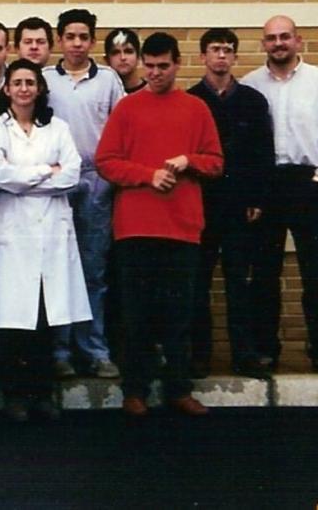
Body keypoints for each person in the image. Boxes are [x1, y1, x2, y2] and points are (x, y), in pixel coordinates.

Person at [95, 32, 222, 418]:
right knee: (135, 315)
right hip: (135, 227)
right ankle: (135, 391)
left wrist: (189, 160)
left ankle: (178, 389)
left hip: (182, 227)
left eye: (162, 66)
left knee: (179, 315)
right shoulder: (127, 108)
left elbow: (216, 161)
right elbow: (106, 160)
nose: (154, 73)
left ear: (178, 64)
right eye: (148, 66)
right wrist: (147, 176)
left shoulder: (196, 108)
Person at [242, 15, 318, 376]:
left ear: (298, 41)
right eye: (271, 38)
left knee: (316, 272)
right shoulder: (250, 85)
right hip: (267, 185)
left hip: (308, 184)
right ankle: (265, 349)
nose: (278, 43)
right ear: (263, 45)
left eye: (284, 37)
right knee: (264, 273)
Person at [0, 59, 87, 422]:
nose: (24, 88)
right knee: (13, 322)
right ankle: (15, 395)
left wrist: (26, 178)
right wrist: (46, 171)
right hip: (11, 235)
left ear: (40, 88)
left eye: (30, 82)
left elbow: (72, 174)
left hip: (49, 235)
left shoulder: (57, 128)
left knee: (44, 319)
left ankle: (42, 394)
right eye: (17, 82)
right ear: (7, 89)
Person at [186, 28, 276, 380]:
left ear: (236, 56)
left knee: (240, 282)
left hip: (240, 207)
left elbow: (263, 153)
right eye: (214, 50)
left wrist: (258, 197)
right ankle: (200, 356)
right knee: (198, 282)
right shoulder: (192, 100)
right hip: (201, 204)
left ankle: (245, 354)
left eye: (227, 50)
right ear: (202, 57)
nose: (221, 56)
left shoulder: (253, 101)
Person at [42, 8, 125, 380]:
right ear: (60, 39)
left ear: (92, 40)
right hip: (57, 183)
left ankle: (95, 349)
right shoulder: (45, 80)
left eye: (84, 37)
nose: (77, 43)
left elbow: (123, 128)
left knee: (93, 270)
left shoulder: (107, 80)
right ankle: (59, 351)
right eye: (70, 36)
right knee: (58, 270)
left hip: (96, 181)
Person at [104, 28, 147, 94]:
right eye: (115, 52)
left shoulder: (152, 92)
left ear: (138, 57)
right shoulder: (103, 94)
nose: (123, 57)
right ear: (107, 60)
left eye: (128, 51)